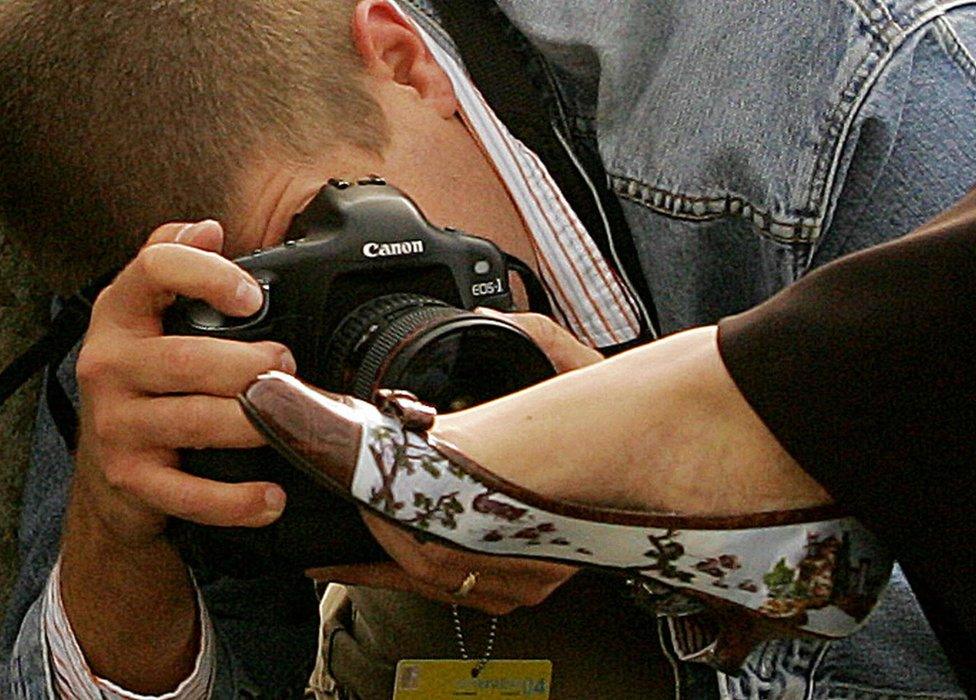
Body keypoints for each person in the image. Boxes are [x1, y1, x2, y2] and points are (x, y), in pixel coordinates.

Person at [0, 0, 971, 697]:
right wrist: (117, 555)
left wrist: (646, 529)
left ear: (406, 63)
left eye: (356, 249)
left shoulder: (827, 100)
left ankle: (729, 419)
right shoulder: (179, 344)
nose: (377, 378)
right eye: (288, 309)